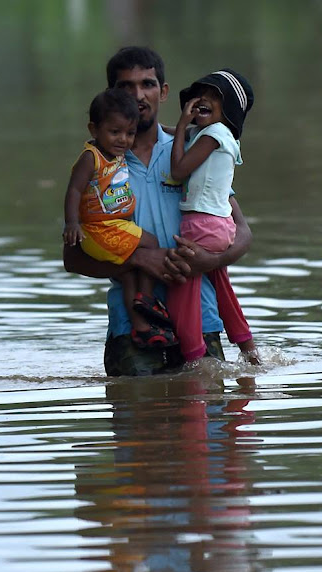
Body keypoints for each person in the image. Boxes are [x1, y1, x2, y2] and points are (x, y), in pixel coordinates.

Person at [63, 46, 254, 377]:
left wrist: (213, 260)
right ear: (113, 95)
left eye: (148, 84)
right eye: (126, 87)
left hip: (202, 318)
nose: (139, 95)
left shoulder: (197, 147)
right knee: (140, 426)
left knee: (209, 426)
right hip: (132, 330)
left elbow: (242, 231)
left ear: (163, 92)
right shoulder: (98, 163)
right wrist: (137, 258)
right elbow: (72, 259)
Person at [63, 87, 177, 349]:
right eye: (115, 132)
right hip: (100, 229)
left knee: (128, 274)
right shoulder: (91, 158)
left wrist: (180, 129)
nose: (123, 139)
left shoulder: (117, 153)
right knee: (150, 243)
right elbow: (74, 190)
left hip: (116, 226)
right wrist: (72, 223)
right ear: (94, 130)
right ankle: (146, 304)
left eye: (130, 133)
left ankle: (140, 326)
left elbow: (160, 131)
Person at [168, 69, 260, 364]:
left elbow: (179, 171)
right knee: (222, 287)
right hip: (219, 225)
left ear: (229, 108)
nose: (204, 100)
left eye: (215, 97)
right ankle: (249, 350)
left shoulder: (215, 135)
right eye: (201, 94)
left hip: (202, 224)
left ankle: (195, 360)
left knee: (184, 293)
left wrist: (183, 123)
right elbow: (167, 133)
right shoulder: (207, 134)